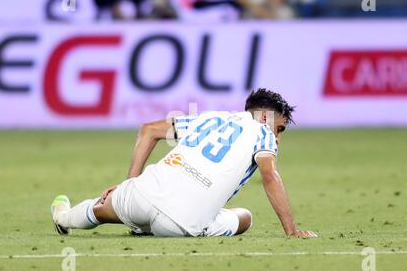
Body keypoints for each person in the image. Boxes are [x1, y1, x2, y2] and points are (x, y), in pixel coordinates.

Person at [50, 89, 317, 238]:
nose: (278, 138)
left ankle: (63, 216)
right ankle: (147, 226)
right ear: (265, 119)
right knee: (244, 216)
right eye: (279, 129)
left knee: (101, 211)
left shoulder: (210, 118)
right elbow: (270, 177)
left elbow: (148, 130)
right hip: (179, 223)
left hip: (139, 195)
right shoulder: (263, 133)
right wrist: (291, 230)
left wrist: (129, 182)